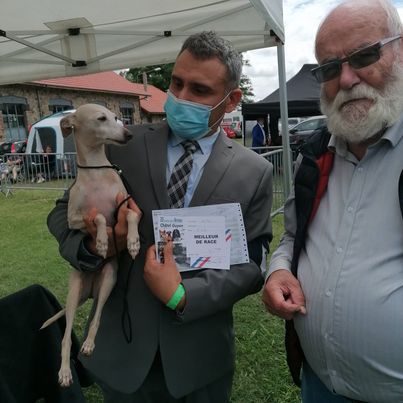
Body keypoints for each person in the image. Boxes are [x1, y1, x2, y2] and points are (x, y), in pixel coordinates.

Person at [48, 31, 273, 402]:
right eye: (176, 83)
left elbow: (253, 262)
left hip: (200, 361)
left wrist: (184, 296)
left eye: (199, 90)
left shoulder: (254, 172)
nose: (181, 98)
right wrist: (92, 246)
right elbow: (61, 213)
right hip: (123, 350)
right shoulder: (122, 146)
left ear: (231, 99)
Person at [262, 0, 403, 402]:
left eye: (364, 55)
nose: (345, 79)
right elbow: (291, 237)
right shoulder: (315, 153)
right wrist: (277, 271)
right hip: (318, 385)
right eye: (327, 68)